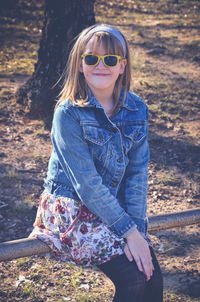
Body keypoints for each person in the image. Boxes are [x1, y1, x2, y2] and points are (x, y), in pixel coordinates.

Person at [30, 24, 163, 301]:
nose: (100, 66)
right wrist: (128, 232)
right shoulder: (67, 113)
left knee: (151, 277)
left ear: (122, 66)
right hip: (73, 210)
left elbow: (137, 174)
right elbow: (86, 184)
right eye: (91, 58)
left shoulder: (137, 109)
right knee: (134, 279)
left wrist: (138, 231)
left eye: (110, 59)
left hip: (112, 209)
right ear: (80, 65)